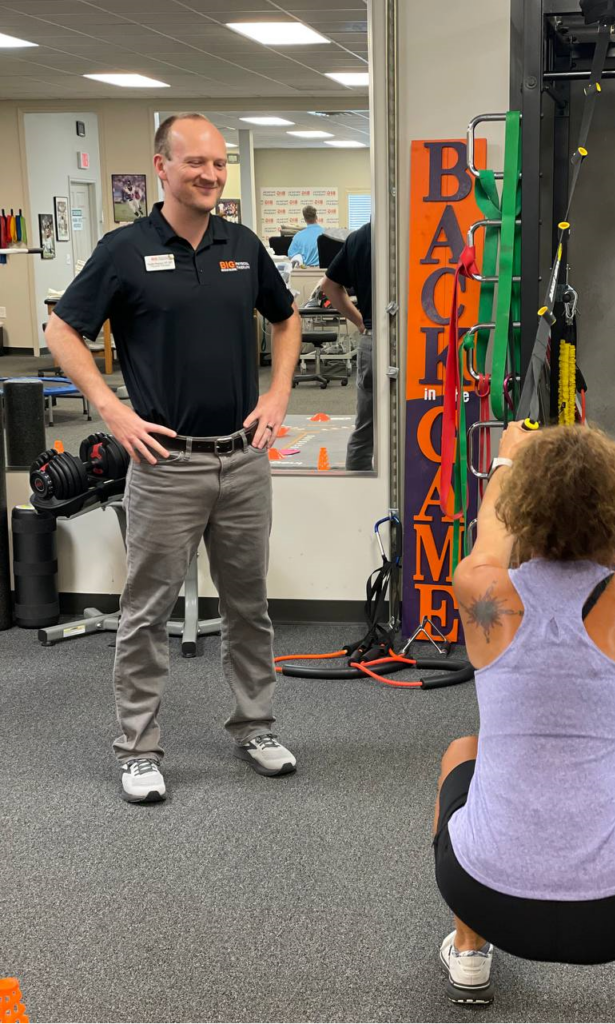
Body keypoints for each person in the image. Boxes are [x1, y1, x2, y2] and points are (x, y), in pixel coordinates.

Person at [45, 112, 302, 804]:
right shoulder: (125, 250)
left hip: (243, 460)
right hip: (166, 465)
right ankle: (137, 748)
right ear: (161, 166)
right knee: (146, 611)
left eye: (219, 164)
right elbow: (62, 328)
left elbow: (286, 318)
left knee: (249, 606)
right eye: (197, 163)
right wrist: (111, 407)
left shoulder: (243, 246)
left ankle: (254, 725)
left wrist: (278, 393)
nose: (211, 175)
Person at [433, 423, 615, 1020]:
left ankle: (469, 949)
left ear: (521, 509)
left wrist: (508, 456)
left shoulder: (483, 592)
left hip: (486, 897)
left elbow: (489, 533)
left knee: (462, 752)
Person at [319, 221, 373, 471]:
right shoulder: (423, 230)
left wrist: (361, 322)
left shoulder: (361, 236)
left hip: (375, 340)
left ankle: (358, 498)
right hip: (422, 340)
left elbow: (329, 286)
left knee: (365, 430)